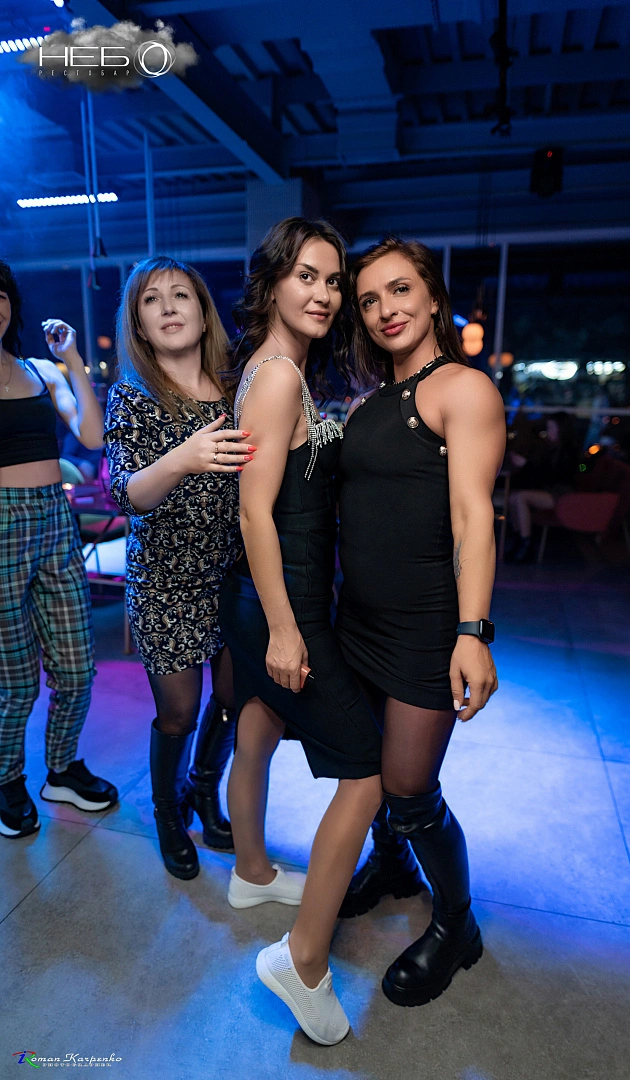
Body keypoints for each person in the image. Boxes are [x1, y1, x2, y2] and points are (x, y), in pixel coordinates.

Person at [218, 218, 383, 1046]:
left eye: (333, 279)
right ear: (274, 282)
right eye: (306, 276)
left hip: (273, 599)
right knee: (368, 769)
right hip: (283, 605)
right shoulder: (279, 375)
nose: (323, 293)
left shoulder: (278, 367)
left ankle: (251, 872)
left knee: (257, 727)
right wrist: (285, 631)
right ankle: (303, 961)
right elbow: (255, 511)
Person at [335, 236, 505, 1007]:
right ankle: (394, 866)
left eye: (400, 290)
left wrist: (473, 632)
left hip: (424, 626)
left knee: (409, 788)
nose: (385, 310)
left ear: (434, 297)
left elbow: (473, 517)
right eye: (369, 299)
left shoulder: (462, 389)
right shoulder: (370, 403)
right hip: (359, 622)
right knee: (373, 771)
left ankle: (457, 924)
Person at [104, 256, 255, 880]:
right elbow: (125, 492)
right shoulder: (133, 396)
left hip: (232, 577)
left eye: (181, 295)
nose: (168, 306)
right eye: (151, 299)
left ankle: (203, 788)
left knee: (234, 700)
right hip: (164, 583)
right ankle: (168, 812)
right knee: (179, 712)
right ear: (138, 324)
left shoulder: (238, 388)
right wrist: (182, 457)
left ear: (203, 311)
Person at [0, 259, 117, 839]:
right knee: (17, 680)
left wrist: (71, 358)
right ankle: (6, 779)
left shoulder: (40, 369)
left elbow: (92, 435)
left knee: (76, 667)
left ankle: (62, 769)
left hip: (54, 518)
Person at [506, 411, 578, 561]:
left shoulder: (568, 451)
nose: (548, 431)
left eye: (551, 428)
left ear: (561, 429)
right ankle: (519, 538)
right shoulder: (550, 447)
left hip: (562, 494)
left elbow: (554, 476)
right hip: (550, 490)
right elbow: (542, 472)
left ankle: (526, 544)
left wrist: (526, 465)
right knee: (513, 497)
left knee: (520, 497)